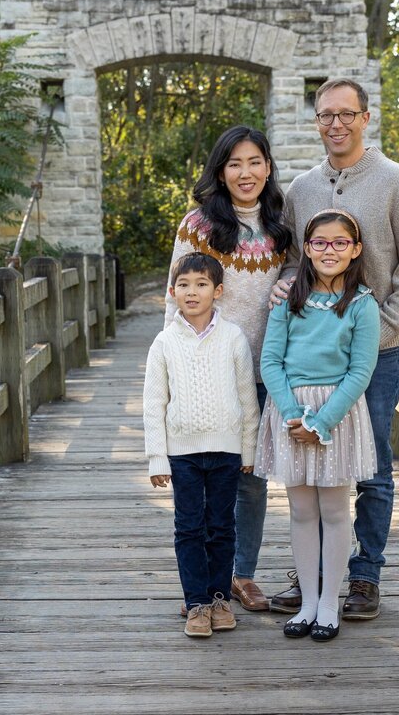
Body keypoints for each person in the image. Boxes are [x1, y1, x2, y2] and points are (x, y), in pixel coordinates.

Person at [270, 78, 399, 621]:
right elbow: (296, 263)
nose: (335, 124)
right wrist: (282, 288)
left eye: (346, 114)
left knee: (372, 466)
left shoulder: (395, 182)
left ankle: (364, 576)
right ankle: (316, 577)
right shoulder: (301, 189)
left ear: (366, 117)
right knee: (313, 469)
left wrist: (382, 327)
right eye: (325, 115)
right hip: (311, 361)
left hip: (379, 354)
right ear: (315, 121)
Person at [163, 125, 291, 612]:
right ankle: (204, 584)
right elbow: (177, 299)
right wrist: (176, 373)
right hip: (207, 373)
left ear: (268, 167)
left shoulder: (281, 224)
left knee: (251, 477)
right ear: (220, 170)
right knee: (202, 482)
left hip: (265, 370)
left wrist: (292, 276)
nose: (246, 172)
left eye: (255, 162)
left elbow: (304, 268)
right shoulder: (198, 225)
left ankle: (242, 574)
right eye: (234, 163)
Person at [256, 210, 380, 642]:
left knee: (333, 508)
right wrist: (293, 414)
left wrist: (322, 421)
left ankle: (330, 602)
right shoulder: (288, 299)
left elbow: (361, 371)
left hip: (338, 414)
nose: (330, 250)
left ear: (356, 249)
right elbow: (271, 360)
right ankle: (308, 601)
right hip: (290, 410)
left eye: (340, 243)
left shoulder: (363, 305)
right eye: (320, 243)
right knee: (301, 511)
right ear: (306, 249)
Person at [144, 252, 260, 638]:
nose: (191, 292)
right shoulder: (163, 342)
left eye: (201, 284)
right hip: (182, 453)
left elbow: (247, 398)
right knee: (189, 527)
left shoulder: (233, 338)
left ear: (218, 290)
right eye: (183, 285)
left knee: (222, 526)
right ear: (172, 291)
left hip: (226, 451)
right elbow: (153, 404)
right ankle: (196, 604)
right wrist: (157, 458)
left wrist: (249, 449)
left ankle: (218, 597)